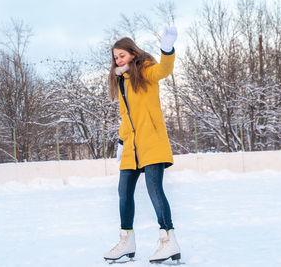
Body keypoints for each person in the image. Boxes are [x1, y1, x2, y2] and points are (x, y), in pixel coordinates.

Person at [103, 26, 181, 264]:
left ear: (132, 54)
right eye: (116, 57)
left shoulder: (145, 71)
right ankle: (127, 241)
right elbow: (127, 117)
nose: (118, 60)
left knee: (154, 190)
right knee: (123, 193)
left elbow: (163, 70)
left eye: (122, 55)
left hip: (152, 142)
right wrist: (120, 141)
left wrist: (167, 50)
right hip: (131, 147)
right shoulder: (122, 82)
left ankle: (169, 241)